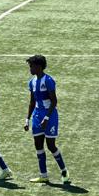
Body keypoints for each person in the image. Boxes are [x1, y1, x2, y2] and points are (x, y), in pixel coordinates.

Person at [24, 55, 69, 184]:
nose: (30, 69)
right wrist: (27, 119)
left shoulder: (48, 80)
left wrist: (47, 117)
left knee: (51, 145)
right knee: (38, 145)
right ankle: (43, 175)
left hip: (50, 116)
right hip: (37, 116)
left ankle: (64, 170)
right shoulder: (32, 82)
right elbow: (32, 102)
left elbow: (54, 101)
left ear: (39, 67)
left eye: (31, 66)